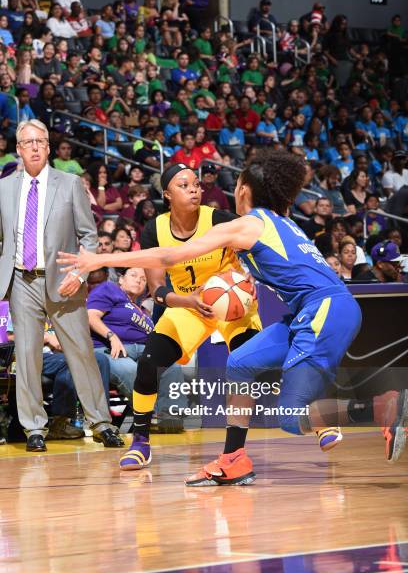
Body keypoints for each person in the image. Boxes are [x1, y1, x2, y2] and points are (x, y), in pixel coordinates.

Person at [59, 150, 408, 482]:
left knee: (291, 416)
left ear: (243, 189)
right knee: (240, 362)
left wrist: (100, 260)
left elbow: (169, 256)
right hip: (309, 310)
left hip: (325, 310)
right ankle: (233, 458)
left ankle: (381, 408)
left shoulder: (245, 224)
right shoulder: (278, 221)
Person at [0, 119, 123, 451]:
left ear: (49, 147)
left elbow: (90, 238)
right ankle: (33, 429)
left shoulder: (69, 184)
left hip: (65, 281)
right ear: (19, 149)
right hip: (22, 281)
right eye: (29, 142)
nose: (35, 147)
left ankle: (101, 422)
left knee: (81, 353)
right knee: (26, 357)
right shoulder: (4, 188)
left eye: (41, 141)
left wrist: (80, 274)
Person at [87, 266, 185, 431]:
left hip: (141, 350)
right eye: (133, 275)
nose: (139, 280)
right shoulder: (109, 289)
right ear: (121, 279)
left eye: (143, 279)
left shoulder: (142, 312)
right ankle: (150, 415)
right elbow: (90, 316)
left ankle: (169, 416)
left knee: (171, 367)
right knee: (132, 369)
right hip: (108, 349)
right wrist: (111, 336)